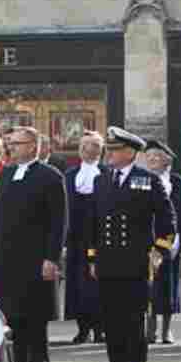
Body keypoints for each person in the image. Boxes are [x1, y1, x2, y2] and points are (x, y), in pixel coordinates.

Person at [86, 128, 176, 362]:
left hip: (136, 261)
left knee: (134, 320)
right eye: (108, 150)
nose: (109, 155)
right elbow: (94, 222)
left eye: (113, 150)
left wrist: (159, 250)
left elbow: (167, 219)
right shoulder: (101, 181)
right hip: (108, 261)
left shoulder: (147, 180)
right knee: (111, 320)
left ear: (129, 152)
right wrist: (92, 257)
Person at [0, 126, 66, 362]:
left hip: (36, 256)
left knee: (35, 315)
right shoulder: (7, 174)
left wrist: (51, 258)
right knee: (12, 314)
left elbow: (58, 221)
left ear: (33, 146)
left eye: (18, 143)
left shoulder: (50, 176)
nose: (12, 148)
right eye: (11, 143)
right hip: (8, 256)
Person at [143, 140, 181, 344]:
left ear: (167, 160)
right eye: (149, 157)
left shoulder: (177, 182)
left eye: (157, 156)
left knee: (169, 286)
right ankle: (150, 328)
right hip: (148, 241)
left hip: (171, 241)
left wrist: (179, 241)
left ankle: (167, 328)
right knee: (149, 286)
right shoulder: (142, 179)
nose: (152, 160)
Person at [63, 132, 105, 345]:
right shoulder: (70, 175)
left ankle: (100, 329)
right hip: (76, 236)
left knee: (98, 283)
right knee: (76, 283)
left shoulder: (107, 173)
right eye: (83, 144)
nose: (86, 148)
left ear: (100, 149)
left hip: (99, 236)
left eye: (92, 145)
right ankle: (82, 328)